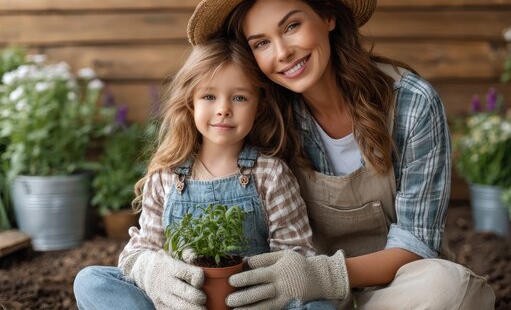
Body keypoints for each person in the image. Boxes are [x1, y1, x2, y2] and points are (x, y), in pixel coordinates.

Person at [185, 0, 496, 309]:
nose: (283, 52)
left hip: (397, 289)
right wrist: (152, 263)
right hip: (305, 299)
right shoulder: (262, 113)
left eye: (291, 26)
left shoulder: (411, 104)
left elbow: (416, 242)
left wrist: (320, 276)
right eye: (261, 43)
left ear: (328, 15)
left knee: (450, 286)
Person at [73, 38, 335, 310]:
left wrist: (274, 291)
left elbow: (296, 254)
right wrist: (151, 271)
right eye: (209, 96)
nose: (223, 109)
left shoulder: (270, 173)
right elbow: (139, 251)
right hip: (181, 305)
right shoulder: (167, 175)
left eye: (239, 97)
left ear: (259, 105)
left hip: (252, 304)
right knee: (91, 281)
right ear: (190, 103)